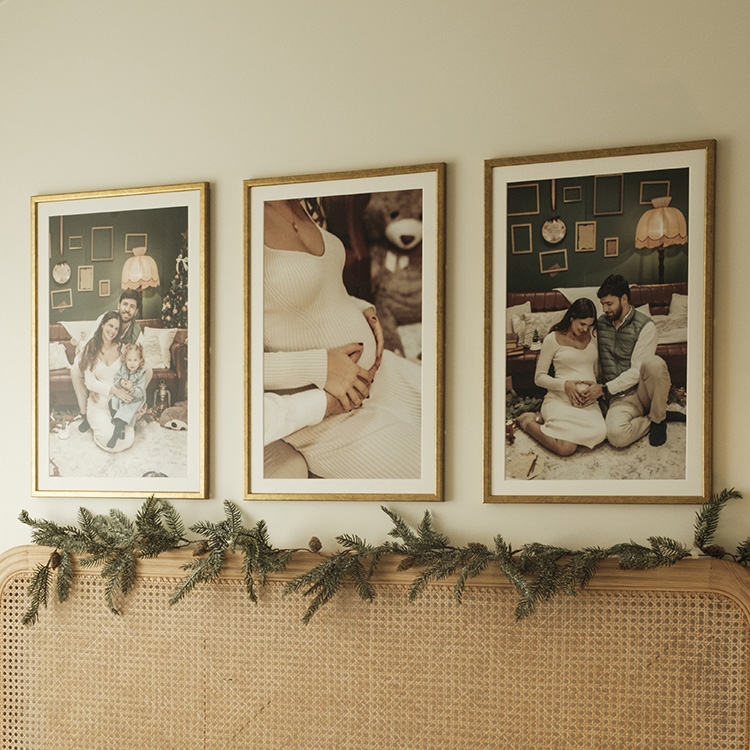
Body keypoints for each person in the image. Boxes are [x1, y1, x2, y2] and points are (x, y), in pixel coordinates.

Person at [262, 197, 422, 480]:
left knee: (473, 418)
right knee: (441, 469)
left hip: (382, 376)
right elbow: (225, 369)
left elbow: (313, 287)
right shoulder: (238, 216)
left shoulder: (302, 201)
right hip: (329, 413)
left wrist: (361, 307)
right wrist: (320, 366)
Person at [583, 274, 671, 447]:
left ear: (624, 299)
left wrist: (605, 389)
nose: (605, 309)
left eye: (609, 304)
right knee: (616, 436)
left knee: (654, 363)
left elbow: (638, 370)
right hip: (618, 399)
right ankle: (651, 419)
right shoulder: (600, 324)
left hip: (641, 392)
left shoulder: (646, 326)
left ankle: (658, 420)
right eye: (602, 304)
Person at [516, 298, 606, 456]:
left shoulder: (594, 336)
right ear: (572, 317)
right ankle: (527, 421)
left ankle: (549, 422)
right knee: (566, 448)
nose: (585, 329)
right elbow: (539, 378)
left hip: (587, 402)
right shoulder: (553, 339)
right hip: (560, 399)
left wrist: (598, 388)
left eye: (589, 325)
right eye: (582, 324)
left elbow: (597, 370)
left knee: (601, 433)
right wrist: (565, 385)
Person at [72, 290, 148, 433]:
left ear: (136, 311)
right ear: (119, 305)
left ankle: (129, 409)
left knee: (148, 370)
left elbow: (139, 362)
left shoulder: (137, 333)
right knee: (75, 369)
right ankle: (85, 414)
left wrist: (138, 395)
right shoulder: (106, 318)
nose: (127, 309)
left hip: (119, 369)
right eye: (125, 304)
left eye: (132, 306)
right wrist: (93, 385)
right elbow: (91, 342)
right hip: (97, 360)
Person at [79, 312, 136, 452]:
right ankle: (95, 423)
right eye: (110, 326)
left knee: (127, 439)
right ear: (102, 325)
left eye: (116, 328)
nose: (113, 331)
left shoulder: (122, 348)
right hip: (98, 404)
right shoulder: (91, 347)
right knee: (108, 438)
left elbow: (130, 374)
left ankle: (117, 422)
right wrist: (113, 390)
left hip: (119, 405)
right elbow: (90, 382)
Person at [107, 342, 147, 449]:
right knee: (111, 402)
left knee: (125, 411)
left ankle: (115, 436)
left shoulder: (141, 373)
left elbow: (140, 392)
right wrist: (121, 382)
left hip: (134, 399)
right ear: (125, 359)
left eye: (135, 360)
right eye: (129, 360)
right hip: (122, 394)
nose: (132, 363)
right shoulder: (123, 368)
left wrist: (132, 388)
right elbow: (116, 379)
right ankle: (119, 426)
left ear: (140, 360)